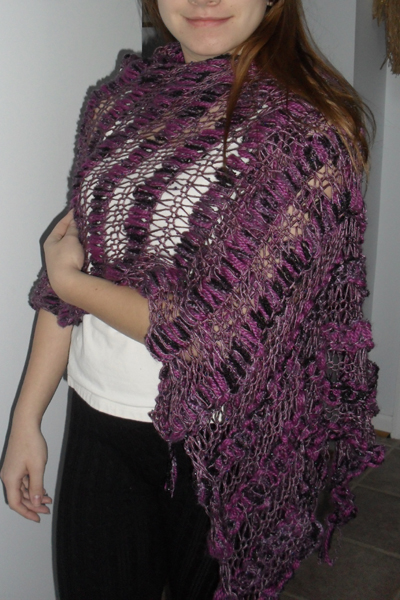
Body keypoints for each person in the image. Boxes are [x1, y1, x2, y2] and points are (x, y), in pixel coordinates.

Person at [1, 0, 384, 598]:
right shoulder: (117, 104)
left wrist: (75, 284)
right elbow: (72, 268)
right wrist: (27, 418)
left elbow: (210, 337)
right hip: (99, 418)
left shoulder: (307, 136)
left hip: (221, 445)